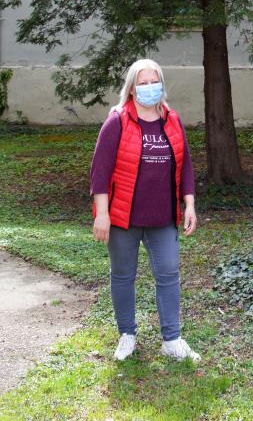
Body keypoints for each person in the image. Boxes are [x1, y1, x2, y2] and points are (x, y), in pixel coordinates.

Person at [90, 58, 201, 363]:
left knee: (168, 273)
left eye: (154, 82)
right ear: (131, 88)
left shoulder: (172, 120)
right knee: (123, 275)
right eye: (143, 83)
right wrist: (102, 213)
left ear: (162, 84)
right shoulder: (117, 121)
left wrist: (189, 204)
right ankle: (127, 335)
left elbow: (186, 166)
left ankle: (172, 340)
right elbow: (100, 172)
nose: (150, 87)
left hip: (163, 217)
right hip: (123, 217)